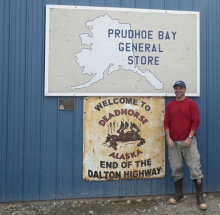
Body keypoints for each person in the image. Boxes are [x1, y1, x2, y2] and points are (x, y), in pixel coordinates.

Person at [164, 80, 207, 210]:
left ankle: (199, 196)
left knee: (195, 168)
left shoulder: (191, 104)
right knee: (176, 168)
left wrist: (189, 137)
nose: (178, 90)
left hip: (189, 141)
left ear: (185, 90)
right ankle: (179, 194)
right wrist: (168, 138)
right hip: (173, 143)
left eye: (180, 88)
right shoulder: (170, 105)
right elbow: (166, 123)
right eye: (176, 88)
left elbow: (195, 121)